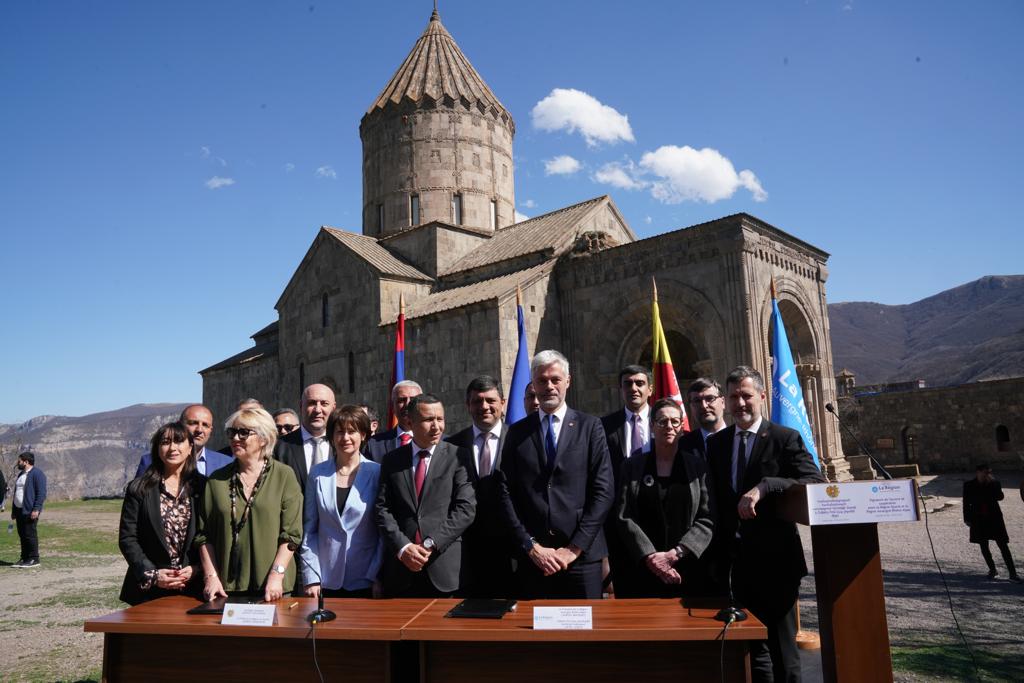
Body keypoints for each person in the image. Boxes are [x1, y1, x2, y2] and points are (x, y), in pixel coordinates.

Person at [707, 366, 825, 683]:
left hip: (778, 565)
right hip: (738, 567)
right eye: (733, 397)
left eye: (746, 396)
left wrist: (766, 486)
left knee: (783, 655)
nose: (740, 403)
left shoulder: (784, 438)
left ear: (761, 396)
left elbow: (814, 480)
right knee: (752, 655)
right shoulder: (717, 444)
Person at [498, 350, 614, 599]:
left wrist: (574, 549)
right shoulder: (517, 433)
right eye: (542, 381)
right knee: (537, 636)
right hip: (534, 560)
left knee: (584, 635)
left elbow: (603, 492)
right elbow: (506, 493)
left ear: (568, 381)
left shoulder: (590, 427)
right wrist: (531, 546)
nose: (549, 386)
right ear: (533, 384)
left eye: (555, 379)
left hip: (581, 559)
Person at [196, 407, 303, 602]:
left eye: (243, 432)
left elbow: (292, 535)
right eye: (232, 432)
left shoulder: (284, 476)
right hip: (226, 588)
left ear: (264, 438)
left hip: (273, 587)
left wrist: (276, 575)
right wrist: (211, 577)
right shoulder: (216, 480)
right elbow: (204, 536)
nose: (235, 438)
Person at [375, 394, 476, 597]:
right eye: (429, 420)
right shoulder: (392, 460)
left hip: (444, 568)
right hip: (402, 571)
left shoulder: (458, 456)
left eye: (440, 419)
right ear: (410, 422)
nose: (436, 426)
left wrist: (431, 543)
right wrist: (403, 548)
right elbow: (382, 509)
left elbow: (465, 509)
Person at [616, 398, 714, 598]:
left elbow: (708, 516)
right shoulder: (632, 467)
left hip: (687, 568)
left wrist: (675, 553)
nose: (669, 426)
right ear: (652, 427)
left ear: (681, 427)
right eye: (662, 421)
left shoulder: (697, 467)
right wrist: (651, 557)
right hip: (643, 570)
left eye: (674, 421)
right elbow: (623, 516)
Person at [301, 405, 384, 598]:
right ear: (331, 436)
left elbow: (382, 533)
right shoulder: (317, 474)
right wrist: (311, 576)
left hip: (365, 578)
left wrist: (377, 575)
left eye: (352, 431)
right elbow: (310, 530)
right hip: (324, 580)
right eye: (339, 432)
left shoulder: (377, 473)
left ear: (363, 435)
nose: (345, 438)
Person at [118, 422, 203, 604]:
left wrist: (197, 569)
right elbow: (128, 538)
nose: (172, 447)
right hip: (150, 590)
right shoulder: (139, 488)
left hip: (195, 588)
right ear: (157, 449)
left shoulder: (204, 487)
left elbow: (212, 535)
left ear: (190, 448)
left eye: (179, 441)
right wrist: (154, 574)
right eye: (165, 442)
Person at [446, 376, 514, 597]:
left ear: (502, 403)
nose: (484, 407)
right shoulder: (452, 446)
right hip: (467, 552)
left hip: (512, 551)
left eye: (490, 400)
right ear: (468, 405)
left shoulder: (519, 439)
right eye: (477, 401)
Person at [601, 364, 653, 595]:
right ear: (620, 389)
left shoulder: (665, 423)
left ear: (650, 389)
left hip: (655, 520)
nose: (634, 388)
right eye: (628, 384)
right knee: (624, 592)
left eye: (640, 383)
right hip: (618, 523)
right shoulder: (603, 426)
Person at [135, 405, 233, 478]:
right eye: (193, 423)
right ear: (179, 425)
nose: (199, 430)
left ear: (210, 430)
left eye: (205, 425)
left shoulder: (226, 463)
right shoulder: (149, 462)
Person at [274, 384, 337, 495]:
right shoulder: (280, 447)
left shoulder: (343, 445)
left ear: (333, 408)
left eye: (324, 404)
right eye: (312, 403)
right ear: (301, 406)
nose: (318, 410)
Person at [963, 464, 1020, 582]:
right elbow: (966, 503)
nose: (986, 475)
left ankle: (1013, 574)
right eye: (984, 472)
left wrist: (993, 484)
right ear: (978, 472)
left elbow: (1000, 497)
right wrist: (967, 518)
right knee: (984, 546)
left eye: (988, 472)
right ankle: (992, 569)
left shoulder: (994, 483)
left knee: (1003, 545)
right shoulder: (969, 485)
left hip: (994, 519)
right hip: (978, 519)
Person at [367, 380, 423, 462]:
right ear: (393, 407)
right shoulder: (374, 445)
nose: (407, 405)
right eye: (401, 400)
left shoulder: (441, 441)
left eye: (413, 400)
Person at [10, 452, 47, 568]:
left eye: (19, 461)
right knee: (22, 534)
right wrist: (14, 511)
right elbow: (17, 493)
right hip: (20, 511)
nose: (18, 463)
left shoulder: (37, 474)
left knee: (30, 534)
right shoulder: (21, 474)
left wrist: (36, 509)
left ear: (26, 461)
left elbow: (41, 493)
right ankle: (25, 558)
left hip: (30, 510)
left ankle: (34, 559)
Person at [681, 377, 728, 463]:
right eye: (697, 401)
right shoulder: (682, 446)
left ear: (723, 402)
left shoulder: (740, 440)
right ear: (691, 407)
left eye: (710, 398)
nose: (704, 406)